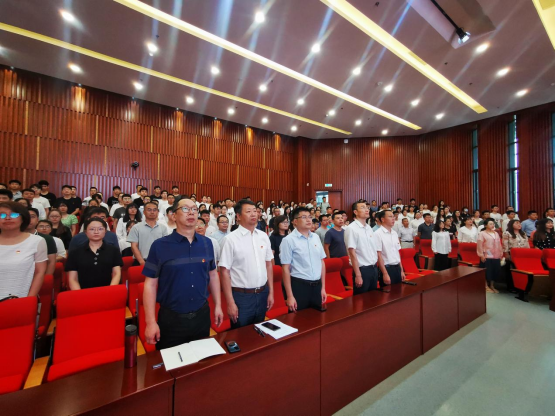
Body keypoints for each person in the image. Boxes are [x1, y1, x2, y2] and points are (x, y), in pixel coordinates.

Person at [142, 198, 223, 350]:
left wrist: (218, 305)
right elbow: (150, 285)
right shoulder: (160, 246)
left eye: (194, 209)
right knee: (172, 362)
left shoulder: (207, 243)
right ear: (173, 215)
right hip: (171, 319)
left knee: (202, 360)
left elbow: (213, 275)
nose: (191, 212)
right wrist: (150, 322)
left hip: (201, 316)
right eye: (185, 209)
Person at [219, 200, 274, 329]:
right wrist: (230, 302)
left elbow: (268, 265)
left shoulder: (263, 236)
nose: (253, 214)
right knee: (240, 334)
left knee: (259, 331)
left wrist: (271, 292)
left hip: (262, 292)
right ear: (238, 216)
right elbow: (224, 272)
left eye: (255, 211)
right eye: (248, 211)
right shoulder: (230, 239)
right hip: (241, 296)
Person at [280, 207, 328, 312]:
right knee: (298, 319)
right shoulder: (288, 240)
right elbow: (285, 268)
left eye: (310, 217)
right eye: (304, 217)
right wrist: (290, 296)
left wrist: (323, 288)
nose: (308, 220)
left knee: (316, 318)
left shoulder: (315, 237)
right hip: (299, 287)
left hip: (317, 286)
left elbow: (322, 262)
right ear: (295, 221)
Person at [0, 202, 47, 299]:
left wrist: (29, 299)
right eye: (2, 215)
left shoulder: (36, 241)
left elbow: (39, 273)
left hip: (20, 299)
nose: (7, 218)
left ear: (23, 218)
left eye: (14, 215)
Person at [66, 218, 123, 290]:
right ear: (85, 232)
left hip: (108, 291)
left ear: (105, 231)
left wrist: (109, 291)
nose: (96, 232)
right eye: (92, 229)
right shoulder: (75, 252)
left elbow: (116, 274)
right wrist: (80, 294)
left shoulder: (113, 250)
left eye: (100, 229)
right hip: (83, 292)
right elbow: (73, 279)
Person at [344, 202, 379, 295]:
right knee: (361, 300)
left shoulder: (369, 228)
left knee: (373, 298)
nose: (367, 209)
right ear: (355, 212)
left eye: (367, 207)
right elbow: (352, 252)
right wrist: (358, 274)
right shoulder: (351, 228)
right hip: (362, 270)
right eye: (363, 207)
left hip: (374, 268)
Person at [127, 202, 169, 266]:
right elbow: (134, 246)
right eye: (149, 210)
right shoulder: (136, 227)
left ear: (158, 212)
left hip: (158, 262)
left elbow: (165, 246)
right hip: (140, 262)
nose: (152, 212)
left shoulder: (163, 228)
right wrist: (141, 262)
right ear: (144, 212)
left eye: (154, 210)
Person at [375, 210, 406, 287]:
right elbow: (378, 255)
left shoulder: (394, 233)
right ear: (383, 219)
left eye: (393, 216)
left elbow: (397, 253)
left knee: (399, 291)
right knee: (388, 293)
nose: (393, 218)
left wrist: (401, 270)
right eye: (390, 216)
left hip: (397, 267)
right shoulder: (377, 234)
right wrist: (385, 273)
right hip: (387, 268)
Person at [25, 208, 57, 276]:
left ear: (37, 220)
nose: (29, 219)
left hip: (40, 276)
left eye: (32, 216)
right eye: (26, 216)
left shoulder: (47, 238)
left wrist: (46, 278)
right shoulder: (13, 237)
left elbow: (51, 262)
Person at [477, 219, 504, 294]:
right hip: (487, 254)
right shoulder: (482, 233)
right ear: (486, 225)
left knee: (495, 271)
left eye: (493, 224)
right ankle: (485, 286)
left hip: (496, 255)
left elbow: (499, 244)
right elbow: (480, 245)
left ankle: (492, 285)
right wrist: (481, 255)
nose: (492, 225)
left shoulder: (496, 233)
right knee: (487, 271)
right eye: (490, 224)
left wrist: (500, 253)